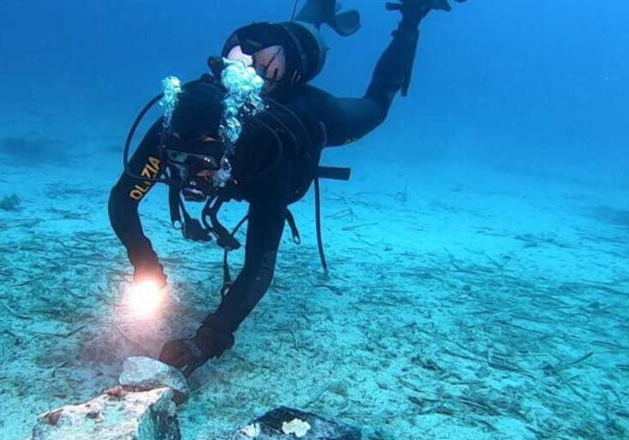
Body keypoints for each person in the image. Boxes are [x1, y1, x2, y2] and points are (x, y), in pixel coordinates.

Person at [109, 0, 463, 376]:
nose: (193, 177)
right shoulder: (171, 131)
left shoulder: (263, 152)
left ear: (228, 148)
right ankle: (316, 11)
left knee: (374, 109)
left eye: (205, 165)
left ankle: (411, 17)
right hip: (267, 70)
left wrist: (208, 340)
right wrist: (144, 263)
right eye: (181, 163)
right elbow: (121, 202)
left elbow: (259, 266)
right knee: (281, 42)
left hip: (309, 113)